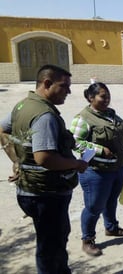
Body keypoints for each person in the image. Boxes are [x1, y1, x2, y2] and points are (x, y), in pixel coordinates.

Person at [0, 64, 88, 274]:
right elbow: (44, 158)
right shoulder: (45, 116)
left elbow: (3, 130)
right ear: (47, 84)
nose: (68, 91)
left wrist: (16, 159)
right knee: (51, 247)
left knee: (49, 243)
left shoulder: (23, 105)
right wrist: (76, 164)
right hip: (47, 194)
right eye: (64, 86)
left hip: (30, 190)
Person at [69, 82, 123, 256]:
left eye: (108, 96)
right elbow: (74, 143)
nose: (106, 99)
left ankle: (111, 228)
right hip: (96, 172)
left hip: (116, 169)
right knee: (94, 207)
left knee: (111, 201)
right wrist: (99, 149)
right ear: (91, 98)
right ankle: (87, 239)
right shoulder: (83, 118)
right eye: (102, 96)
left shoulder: (111, 115)